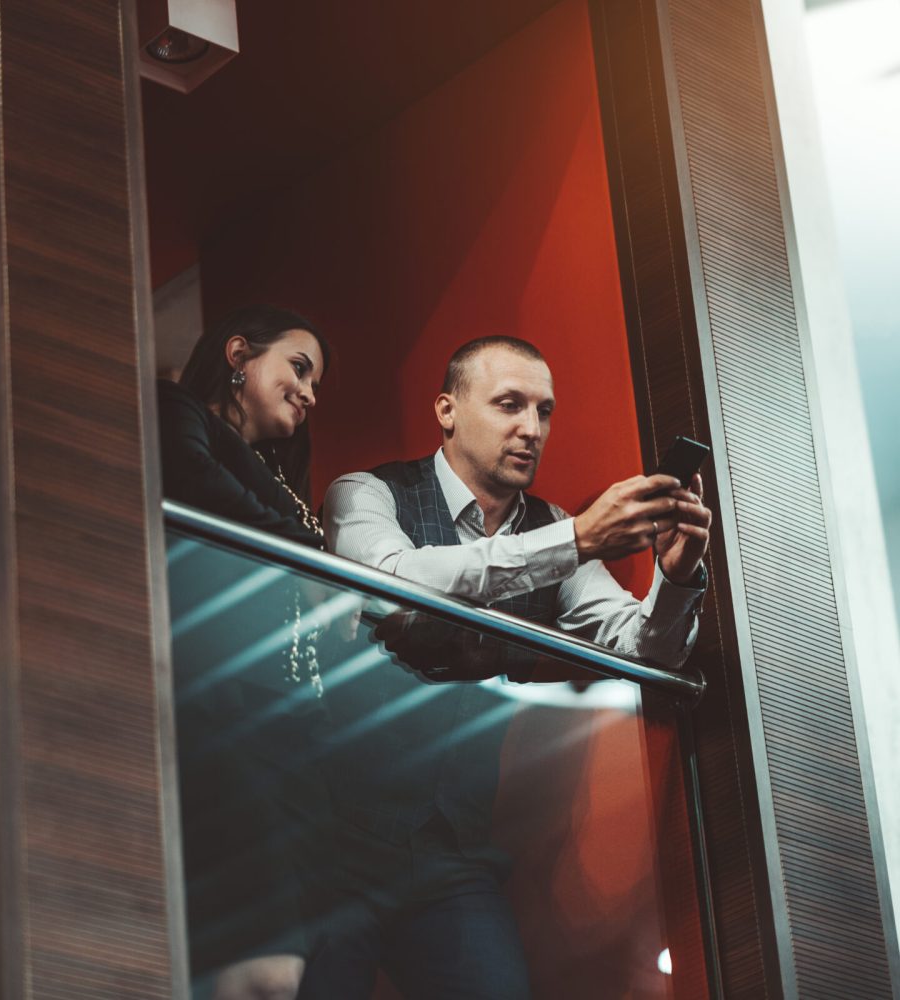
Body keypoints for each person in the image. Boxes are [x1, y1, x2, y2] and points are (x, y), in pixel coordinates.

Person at [305, 335, 711, 1000]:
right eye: (509, 404)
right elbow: (393, 581)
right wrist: (574, 541)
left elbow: (644, 651)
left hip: (451, 853)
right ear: (447, 410)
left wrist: (676, 574)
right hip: (329, 841)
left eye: (544, 411)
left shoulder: (550, 523)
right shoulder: (366, 493)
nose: (532, 428)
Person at [158, 305, 332, 1000]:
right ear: (238, 356)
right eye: (299, 367)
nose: (311, 392)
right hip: (214, 708)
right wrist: (302, 551)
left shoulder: (276, 475)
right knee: (264, 967)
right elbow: (192, 484)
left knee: (285, 959)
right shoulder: (177, 409)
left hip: (287, 728)